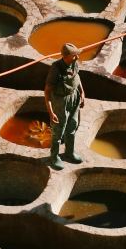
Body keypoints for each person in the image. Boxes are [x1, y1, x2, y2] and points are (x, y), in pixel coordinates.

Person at [44, 42, 86, 170]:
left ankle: (69, 153)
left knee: (72, 126)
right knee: (58, 131)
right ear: (66, 56)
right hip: (60, 101)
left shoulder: (74, 63)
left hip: (74, 97)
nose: (77, 57)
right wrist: (51, 112)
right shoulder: (56, 69)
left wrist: (82, 93)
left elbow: (77, 78)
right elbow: (47, 92)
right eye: (74, 55)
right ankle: (54, 156)